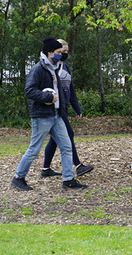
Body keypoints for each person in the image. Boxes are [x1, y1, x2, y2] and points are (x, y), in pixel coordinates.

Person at [11, 37, 87, 191]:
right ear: (50, 52)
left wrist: (63, 110)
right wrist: (48, 97)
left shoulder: (53, 68)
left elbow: (62, 91)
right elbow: (29, 90)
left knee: (66, 147)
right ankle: (18, 178)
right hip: (41, 117)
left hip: (56, 115)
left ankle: (68, 180)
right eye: (58, 52)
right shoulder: (38, 69)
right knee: (34, 150)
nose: (61, 55)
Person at [40, 39, 94, 178]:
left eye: (66, 52)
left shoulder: (66, 67)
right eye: (62, 51)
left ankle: (45, 169)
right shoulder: (50, 67)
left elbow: (71, 88)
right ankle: (78, 165)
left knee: (55, 139)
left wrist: (77, 108)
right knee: (68, 134)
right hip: (54, 108)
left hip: (64, 107)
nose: (64, 54)